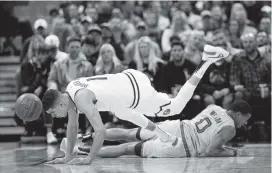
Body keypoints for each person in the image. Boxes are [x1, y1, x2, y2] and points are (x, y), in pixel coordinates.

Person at [43, 45, 229, 165]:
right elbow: (73, 126)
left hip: (136, 92)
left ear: (60, 102)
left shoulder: (81, 99)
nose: (55, 116)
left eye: (53, 112)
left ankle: (205, 61)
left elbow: (99, 131)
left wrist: (89, 158)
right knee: (124, 113)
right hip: (128, 82)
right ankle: (163, 136)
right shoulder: (70, 92)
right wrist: (67, 156)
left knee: (176, 107)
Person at [79, 100, 253, 158]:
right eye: (246, 118)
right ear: (238, 113)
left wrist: (231, 148)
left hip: (176, 126)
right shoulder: (230, 128)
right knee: (126, 149)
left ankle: (89, 135)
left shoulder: (214, 107)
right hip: (181, 145)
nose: (245, 123)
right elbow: (210, 150)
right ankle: (83, 152)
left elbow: (211, 136)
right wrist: (235, 153)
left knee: (129, 133)